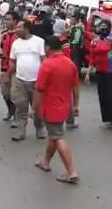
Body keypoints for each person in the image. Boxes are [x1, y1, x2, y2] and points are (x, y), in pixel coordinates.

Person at [32, 35, 81, 184]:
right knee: (53, 135)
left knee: (58, 136)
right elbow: (75, 87)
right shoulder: (70, 64)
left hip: (51, 107)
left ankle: (71, 172)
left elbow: (39, 89)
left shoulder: (47, 65)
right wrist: (75, 105)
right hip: (64, 106)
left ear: (47, 48)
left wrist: (33, 108)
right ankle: (45, 162)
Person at [8, 19, 46, 141]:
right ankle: (21, 131)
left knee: (38, 107)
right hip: (20, 79)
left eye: (19, 27)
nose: (16, 30)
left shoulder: (39, 42)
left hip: (36, 81)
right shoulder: (16, 43)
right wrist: (8, 75)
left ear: (27, 29)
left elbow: (44, 60)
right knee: (20, 106)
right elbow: (12, 61)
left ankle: (39, 128)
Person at [0, 12, 20, 124]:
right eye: (5, 19)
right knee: (5, 93)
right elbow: (2, 47)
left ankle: (17, 117)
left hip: (16, 69)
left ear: (15, 21)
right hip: (4, 67)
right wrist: (1, 54)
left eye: (8, 19)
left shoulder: (20, 36)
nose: (6, 21)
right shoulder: (4, 35)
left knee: (15, 94)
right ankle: (10, 111)